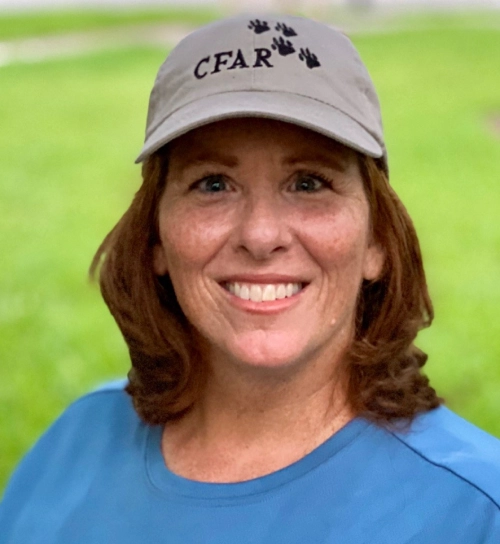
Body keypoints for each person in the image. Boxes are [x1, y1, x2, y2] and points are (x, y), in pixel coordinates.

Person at [1, 13, 499, 543]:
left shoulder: (474, 511)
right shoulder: (75, 442)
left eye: (309, 182)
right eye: (213, 184)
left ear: (376, 241)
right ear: (155, 240)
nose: (261, 236)